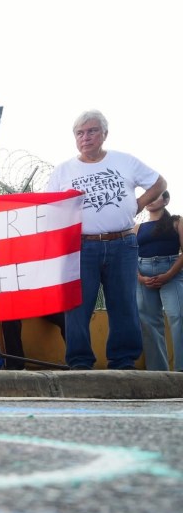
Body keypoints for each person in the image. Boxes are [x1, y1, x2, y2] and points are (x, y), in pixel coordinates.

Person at [46, 110, 166, 370]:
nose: (85, 137)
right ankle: (79, 363)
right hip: (81, 246)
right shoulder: (62, 171)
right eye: (80, 133)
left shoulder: (125, 161)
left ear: (104, 134)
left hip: (123, 244)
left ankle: (123, 363)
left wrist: (138, 204)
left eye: (92, 131)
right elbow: (50, 209)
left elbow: (159, 183)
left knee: (124, 305)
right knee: (77, 307)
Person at [134, 190, 183, 371]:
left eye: (156, 196)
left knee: (178, 315)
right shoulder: (138, 227)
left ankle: (181, 370)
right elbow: (130, 255)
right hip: (143, 275)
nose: (151, 200)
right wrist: (140, 278)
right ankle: (158, 372)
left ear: (166, 201)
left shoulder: (177, 222)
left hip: (172, 273)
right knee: (148, 322)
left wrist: (169, 274)